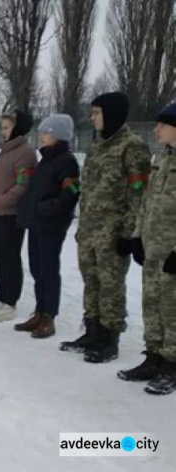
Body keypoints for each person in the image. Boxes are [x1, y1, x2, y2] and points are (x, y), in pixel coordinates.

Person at [60, 92, 152, 363]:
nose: (92, 117)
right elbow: (89, 190)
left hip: (113, 231)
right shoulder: (97, 145)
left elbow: (139, 194)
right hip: (90, 228)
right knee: (91, 281)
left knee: (111, 285)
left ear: (111, 115)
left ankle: (109, 338)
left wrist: (129, 233)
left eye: (97, 112)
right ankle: (92, 330)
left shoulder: (132, 147)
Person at [117, 103, 176, 395]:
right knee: (151, 304)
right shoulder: (161, 159)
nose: (156, 129)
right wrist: (138, 237)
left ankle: (172, 364)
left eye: (162, 124)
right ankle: (153, 355)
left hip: (172, 253)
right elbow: (147, 202)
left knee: (172, 309)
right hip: (153, 249)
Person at [15, 114, 80, 339]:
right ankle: (39, 311)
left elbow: (69, 195)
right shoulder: (46, 159)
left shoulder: (67, 162)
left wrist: (44, 208)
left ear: (58, 135)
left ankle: (49, 316)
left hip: (51, 225)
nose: (41, 136)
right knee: (36, 269)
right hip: (36, 223)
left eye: (46, 132)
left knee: (48, 270)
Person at [0, 110, 37, 322]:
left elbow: (23, 184)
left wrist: (3, 199)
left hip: (11, 213)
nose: (2, 132)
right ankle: (2, 296)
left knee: (10, 257)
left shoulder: (25, 153)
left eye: (6, 128)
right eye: (2, 128)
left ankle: (11, 301)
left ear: (18, 128)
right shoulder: (6, 151)